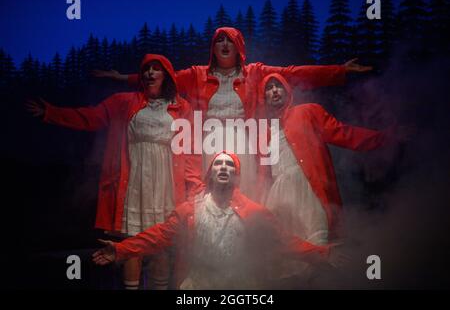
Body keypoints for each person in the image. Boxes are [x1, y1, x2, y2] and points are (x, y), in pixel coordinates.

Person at [93, 27, 372, 202]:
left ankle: (244, 259)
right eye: (218, 41)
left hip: (245, 144)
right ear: (212, 48)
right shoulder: (197, 74)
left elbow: (293, 73)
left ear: (239, 47)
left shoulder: (254, 72)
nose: (224, 45)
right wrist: (124, 78)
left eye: (229, 40)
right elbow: (164, 80)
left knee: (245, 194)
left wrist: (339, 71)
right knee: (207, 197)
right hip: (208, 143)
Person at [26, 54, 203, 290]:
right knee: (132, 243)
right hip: (135, 182)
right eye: (146, 69)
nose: (150, 73)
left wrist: (195, 185)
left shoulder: (183, 107)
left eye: (156, 69)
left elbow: (190, 150)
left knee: (162, 242)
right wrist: (52, 113)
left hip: (168, 184)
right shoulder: (124, 101)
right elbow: (90, 117)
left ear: (167, 75)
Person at [92, 152, 344, 289]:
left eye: (230, 166)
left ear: (237, 176)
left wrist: (322, 254)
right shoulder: (189, 210)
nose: (223, 168)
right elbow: (156, 237)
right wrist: (121, 250)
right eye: (218, 164)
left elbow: (285, 242)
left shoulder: (255, 212)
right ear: (210, 174)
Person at [259, 73, 412, 283]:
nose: (274, 91)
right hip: (278, 199)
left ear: (288, 91)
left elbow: (344, 133)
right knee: (284, 263)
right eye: (269, 88)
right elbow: (262, 177)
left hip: (308, 193)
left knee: (319, 258)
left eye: (279, 86)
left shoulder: (308, 112)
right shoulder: (264, 133)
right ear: (263, 98)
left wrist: (386, 137)